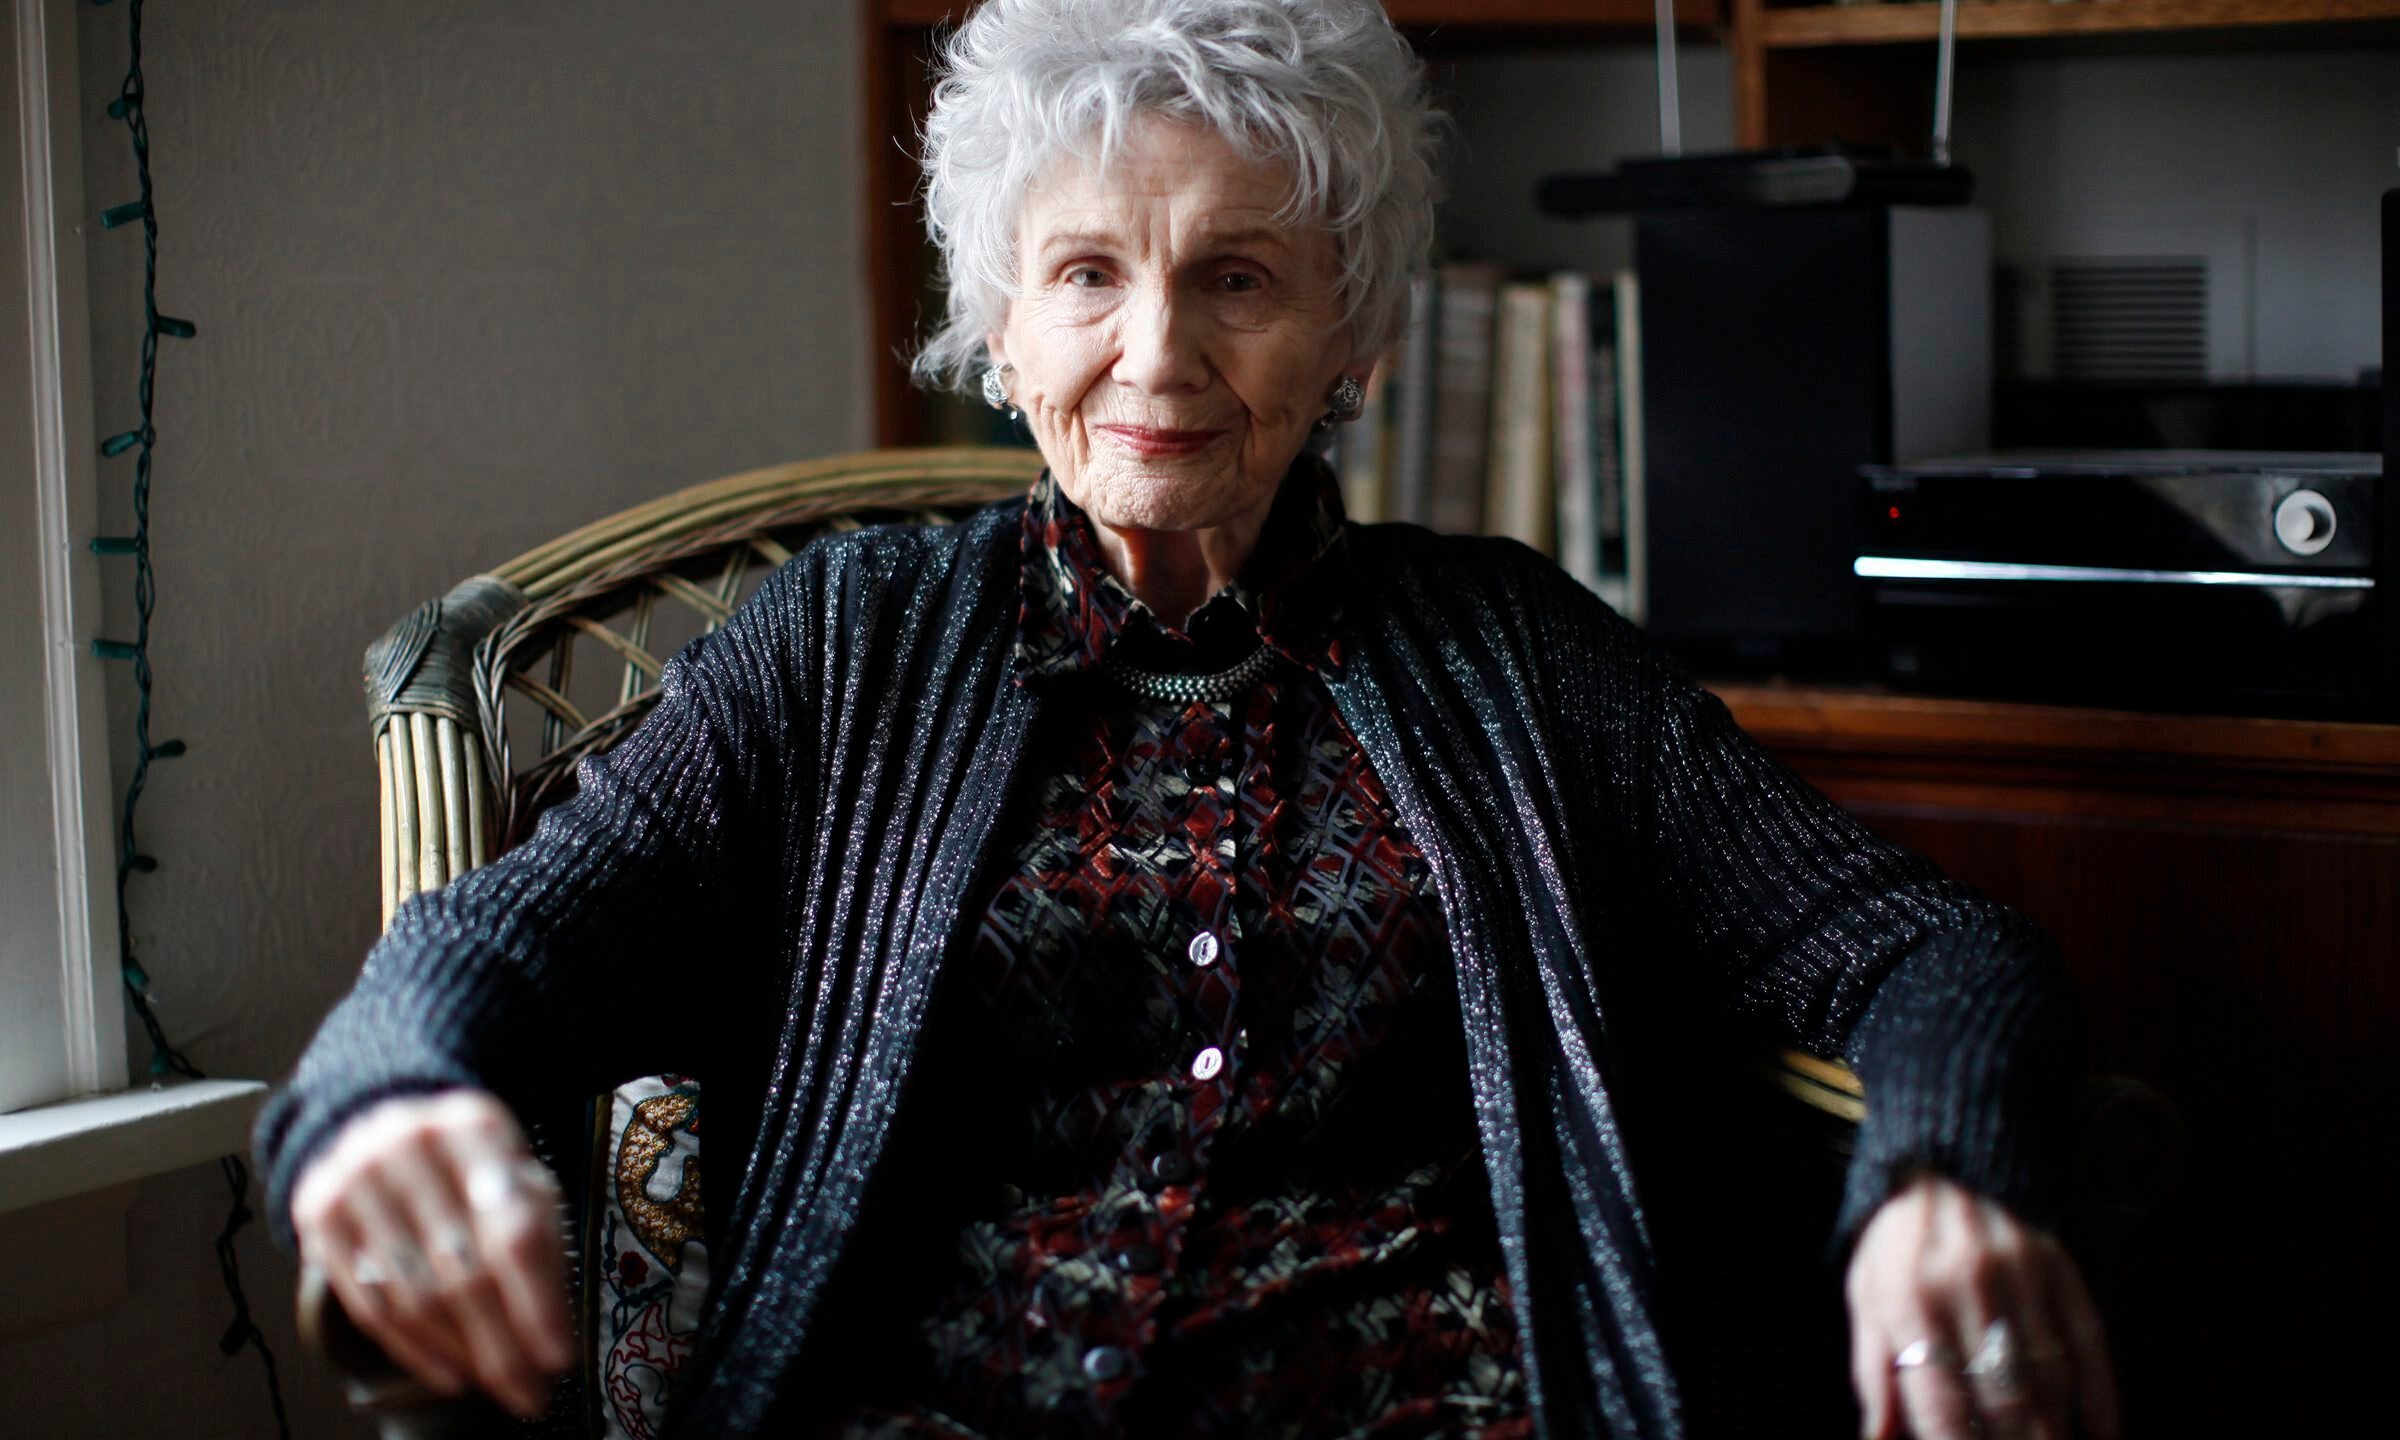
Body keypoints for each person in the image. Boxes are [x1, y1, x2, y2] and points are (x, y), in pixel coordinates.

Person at [255, 3, 2120, 1437]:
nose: (1154, 357)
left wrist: (1939, 1170)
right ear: (1002, 326)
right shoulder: (844, 652)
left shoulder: (1519, 657)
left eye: (1238, 276)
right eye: (1086, 275)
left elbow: (1924, 947)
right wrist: (384, 1098)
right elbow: (501, 945)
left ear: (1357, 332)